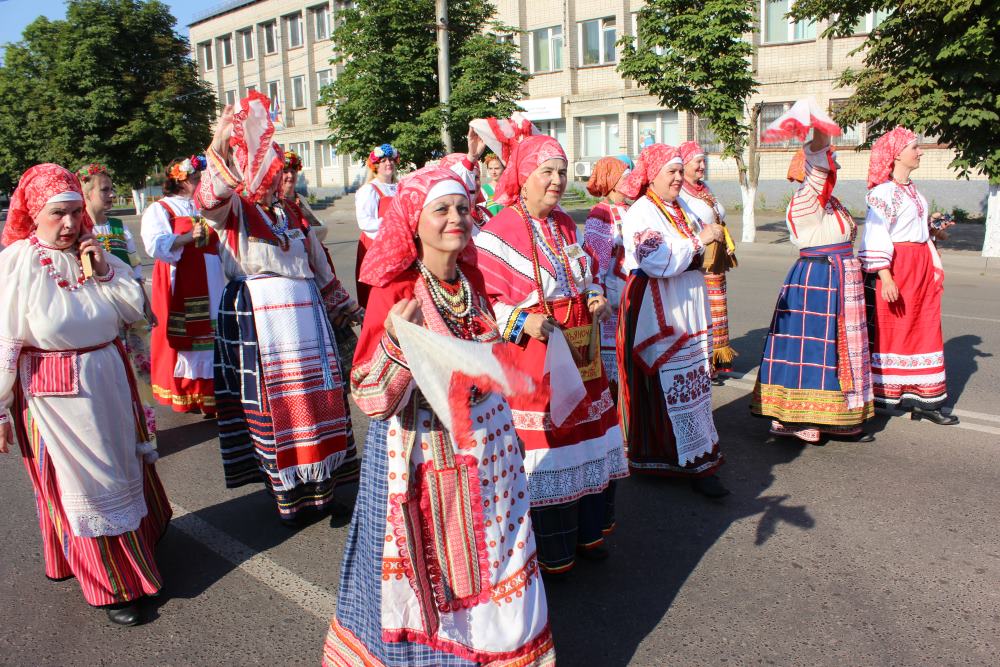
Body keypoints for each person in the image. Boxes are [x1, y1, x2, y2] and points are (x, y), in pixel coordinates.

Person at [322, 166, 555, 666]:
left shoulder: (469, 276)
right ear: (413, 221)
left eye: (464, 209)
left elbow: (486, 349)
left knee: (499, 562)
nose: (457, 219)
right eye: (442, 210)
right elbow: (369, 397)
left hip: (491, 453)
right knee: (437, 575)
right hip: (424, 455)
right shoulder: (396, 292)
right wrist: (396, 345)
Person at [0, 164, 170, 626]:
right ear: (36, 213)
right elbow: (5, 339)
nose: (72, 224)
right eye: (60, 214)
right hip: (54, 389)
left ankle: (137, 544)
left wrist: (101, 272)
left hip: (107, 376)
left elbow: (135, 310)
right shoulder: (17, 261)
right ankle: (113, 585)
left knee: (120, 469)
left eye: (77, 212)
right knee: (85, 487)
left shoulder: (97, 255)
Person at [197, 95, 363, 525]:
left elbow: (317, 263)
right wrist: (221, 142)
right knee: (281, 408)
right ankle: (290, 497)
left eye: (276, 171)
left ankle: (323, 491)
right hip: (263, 321)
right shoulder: (234, 209)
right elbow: (209, 196)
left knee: (319, 400)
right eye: (267, 169)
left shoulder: (290, 211)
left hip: (306, 317)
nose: (274, 177)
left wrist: (343, 304)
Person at [474, 126, 627, 575]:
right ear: (523, 175)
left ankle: (588, 532)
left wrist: (596, 293)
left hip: (581, 351)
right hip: (533, 357)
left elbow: (584, 271)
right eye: (547, 171)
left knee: (587, 436)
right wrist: (522, 321)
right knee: (550, 444)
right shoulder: (497, 231)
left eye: (562, 171)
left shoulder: (563, 223)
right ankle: (549, 550)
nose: (557, 180)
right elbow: (483, 304)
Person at [751, 119, 874, 442]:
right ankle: (796, 416)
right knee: (813, 349)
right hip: (818, 278)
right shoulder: (806, 198)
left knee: (835, 350)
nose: (834, 169)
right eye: (830, 165)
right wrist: (820, 130)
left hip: (837, 276)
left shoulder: (831, 203)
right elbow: (819, 165)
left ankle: (834, 415)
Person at [617, 144, 729, 497]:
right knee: (664, 377)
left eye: (681, 171)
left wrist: (708, 232)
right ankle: (668, 456)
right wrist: (699, 240)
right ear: (653, 175)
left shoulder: (681, 206)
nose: (679, 178)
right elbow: (655, 259)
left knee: (692, 375)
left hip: (686, 298)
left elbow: (710, 217)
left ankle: (695, 453)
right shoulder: (641, 212)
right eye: (672, 172)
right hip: (656, 301)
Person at [859, 127, 957, 425]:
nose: (921, 151)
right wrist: (886, 277)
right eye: (915, 147)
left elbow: (916, 230)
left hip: (920, 267)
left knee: (924, 327)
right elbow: (875, 235)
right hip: (897, 267)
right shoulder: (881, 194)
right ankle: (881, 395)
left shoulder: (914, 191)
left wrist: (935, 233)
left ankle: (924, 399)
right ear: (897, 154)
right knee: (893, 330)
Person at [79, 163, 158, 437]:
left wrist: (146, 305)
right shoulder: (78, 232)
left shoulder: (119, 228)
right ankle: (119, 436)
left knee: (141, 373)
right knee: (111, 379)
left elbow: (136, 272)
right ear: (86, 193)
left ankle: (144, 433)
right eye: (105, 190)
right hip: (102, 317)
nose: (112, 195)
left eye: (112, 189)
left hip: (131, 316)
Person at [141, 155, 222, 417]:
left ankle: (213, 394)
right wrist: (186, 238)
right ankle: (189, 393)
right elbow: (155, 244)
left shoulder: (206, 206)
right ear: (182, 180)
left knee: (214, 331)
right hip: (181, 277)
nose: (201, 184)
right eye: (197, 179)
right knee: (188, 335)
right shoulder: (162, 208)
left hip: (212, 274)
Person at [678, 141, 738, 385]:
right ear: (684, 164)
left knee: (717, 310)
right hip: (699, 260)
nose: (702, 166)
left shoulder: (703, 188)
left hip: (715, 259)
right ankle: (703, 361)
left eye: (704, 161)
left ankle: (716, 358)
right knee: (704, 312)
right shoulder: (681, 192)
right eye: (697, 162)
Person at [582, 155, 632, 397]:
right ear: (612, 182)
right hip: (613, 297)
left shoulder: (630, 208)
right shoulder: (600, 214)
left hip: (631, 291)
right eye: (626, 178)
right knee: (614, 363)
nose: (631, 183)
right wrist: (600, 294)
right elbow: (596, 261)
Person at [355, 143, 400, 309]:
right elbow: (364, 222)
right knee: (381, 294)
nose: (388, 163)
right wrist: (392, 223)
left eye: (391, 160)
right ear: (375, 166)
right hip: (377, 246)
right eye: (383, 161)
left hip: (399, 244)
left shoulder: (398, 187)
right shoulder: (369, 189)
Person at [280, 150, 323, 228]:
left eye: (293, 172)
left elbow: (314, 224)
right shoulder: (275, 201)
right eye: (285, 172)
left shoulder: (300, 198)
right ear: (278, 175)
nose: (290, 175)